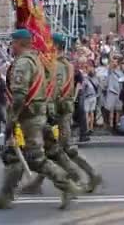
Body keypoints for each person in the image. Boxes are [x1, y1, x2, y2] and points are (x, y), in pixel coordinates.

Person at [0, 29, 83, 210]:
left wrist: (12, 119)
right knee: (13, 155)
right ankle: (4, 196)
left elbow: (20, 95)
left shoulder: (23, 63)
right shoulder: (37, 60)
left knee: (36, 158)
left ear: (19, 43)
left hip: (28, 117)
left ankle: (67, 184)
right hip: (37, 114)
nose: (10, 46)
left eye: (12, 43)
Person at [21, 33, 103, 195]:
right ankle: (37, 184)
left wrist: (49, 110)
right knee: (52, 150)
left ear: (56, 46)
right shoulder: (65, 63)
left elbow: (55, 90)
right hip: (63, 112)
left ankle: (88, 177)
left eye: (49, 44)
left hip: (59, 112)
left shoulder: (58, 65)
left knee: (60, 150)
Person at [104, 55, 124, 133]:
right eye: (113, 62)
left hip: (118, 93)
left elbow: (122, 82)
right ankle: (111, 127)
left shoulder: (121, 72)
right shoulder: (110, 71)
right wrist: (111, 59)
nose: (114, 63)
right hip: (111, 93)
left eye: (116, 62)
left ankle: (117, 126)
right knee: (111, 111)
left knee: (118, 111)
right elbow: (109, 66)